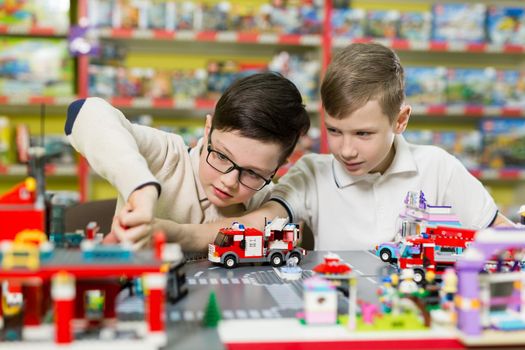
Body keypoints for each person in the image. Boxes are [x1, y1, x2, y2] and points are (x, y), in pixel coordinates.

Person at [174, 42, 513, 252]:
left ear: (400, 120)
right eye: (334, 130)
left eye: (363, 134)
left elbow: (502, 234)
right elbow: (261, 220)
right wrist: (177, 234)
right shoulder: (312, 172)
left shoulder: (439, 168)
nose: (345, 149)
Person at [65, 72, 310, 250]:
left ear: (279, 166)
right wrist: (141, 188)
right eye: (222, 156)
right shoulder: (166, 155)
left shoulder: (267, 200)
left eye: (253, 173)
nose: (229, 182)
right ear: (207, 129)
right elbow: (84, 113)